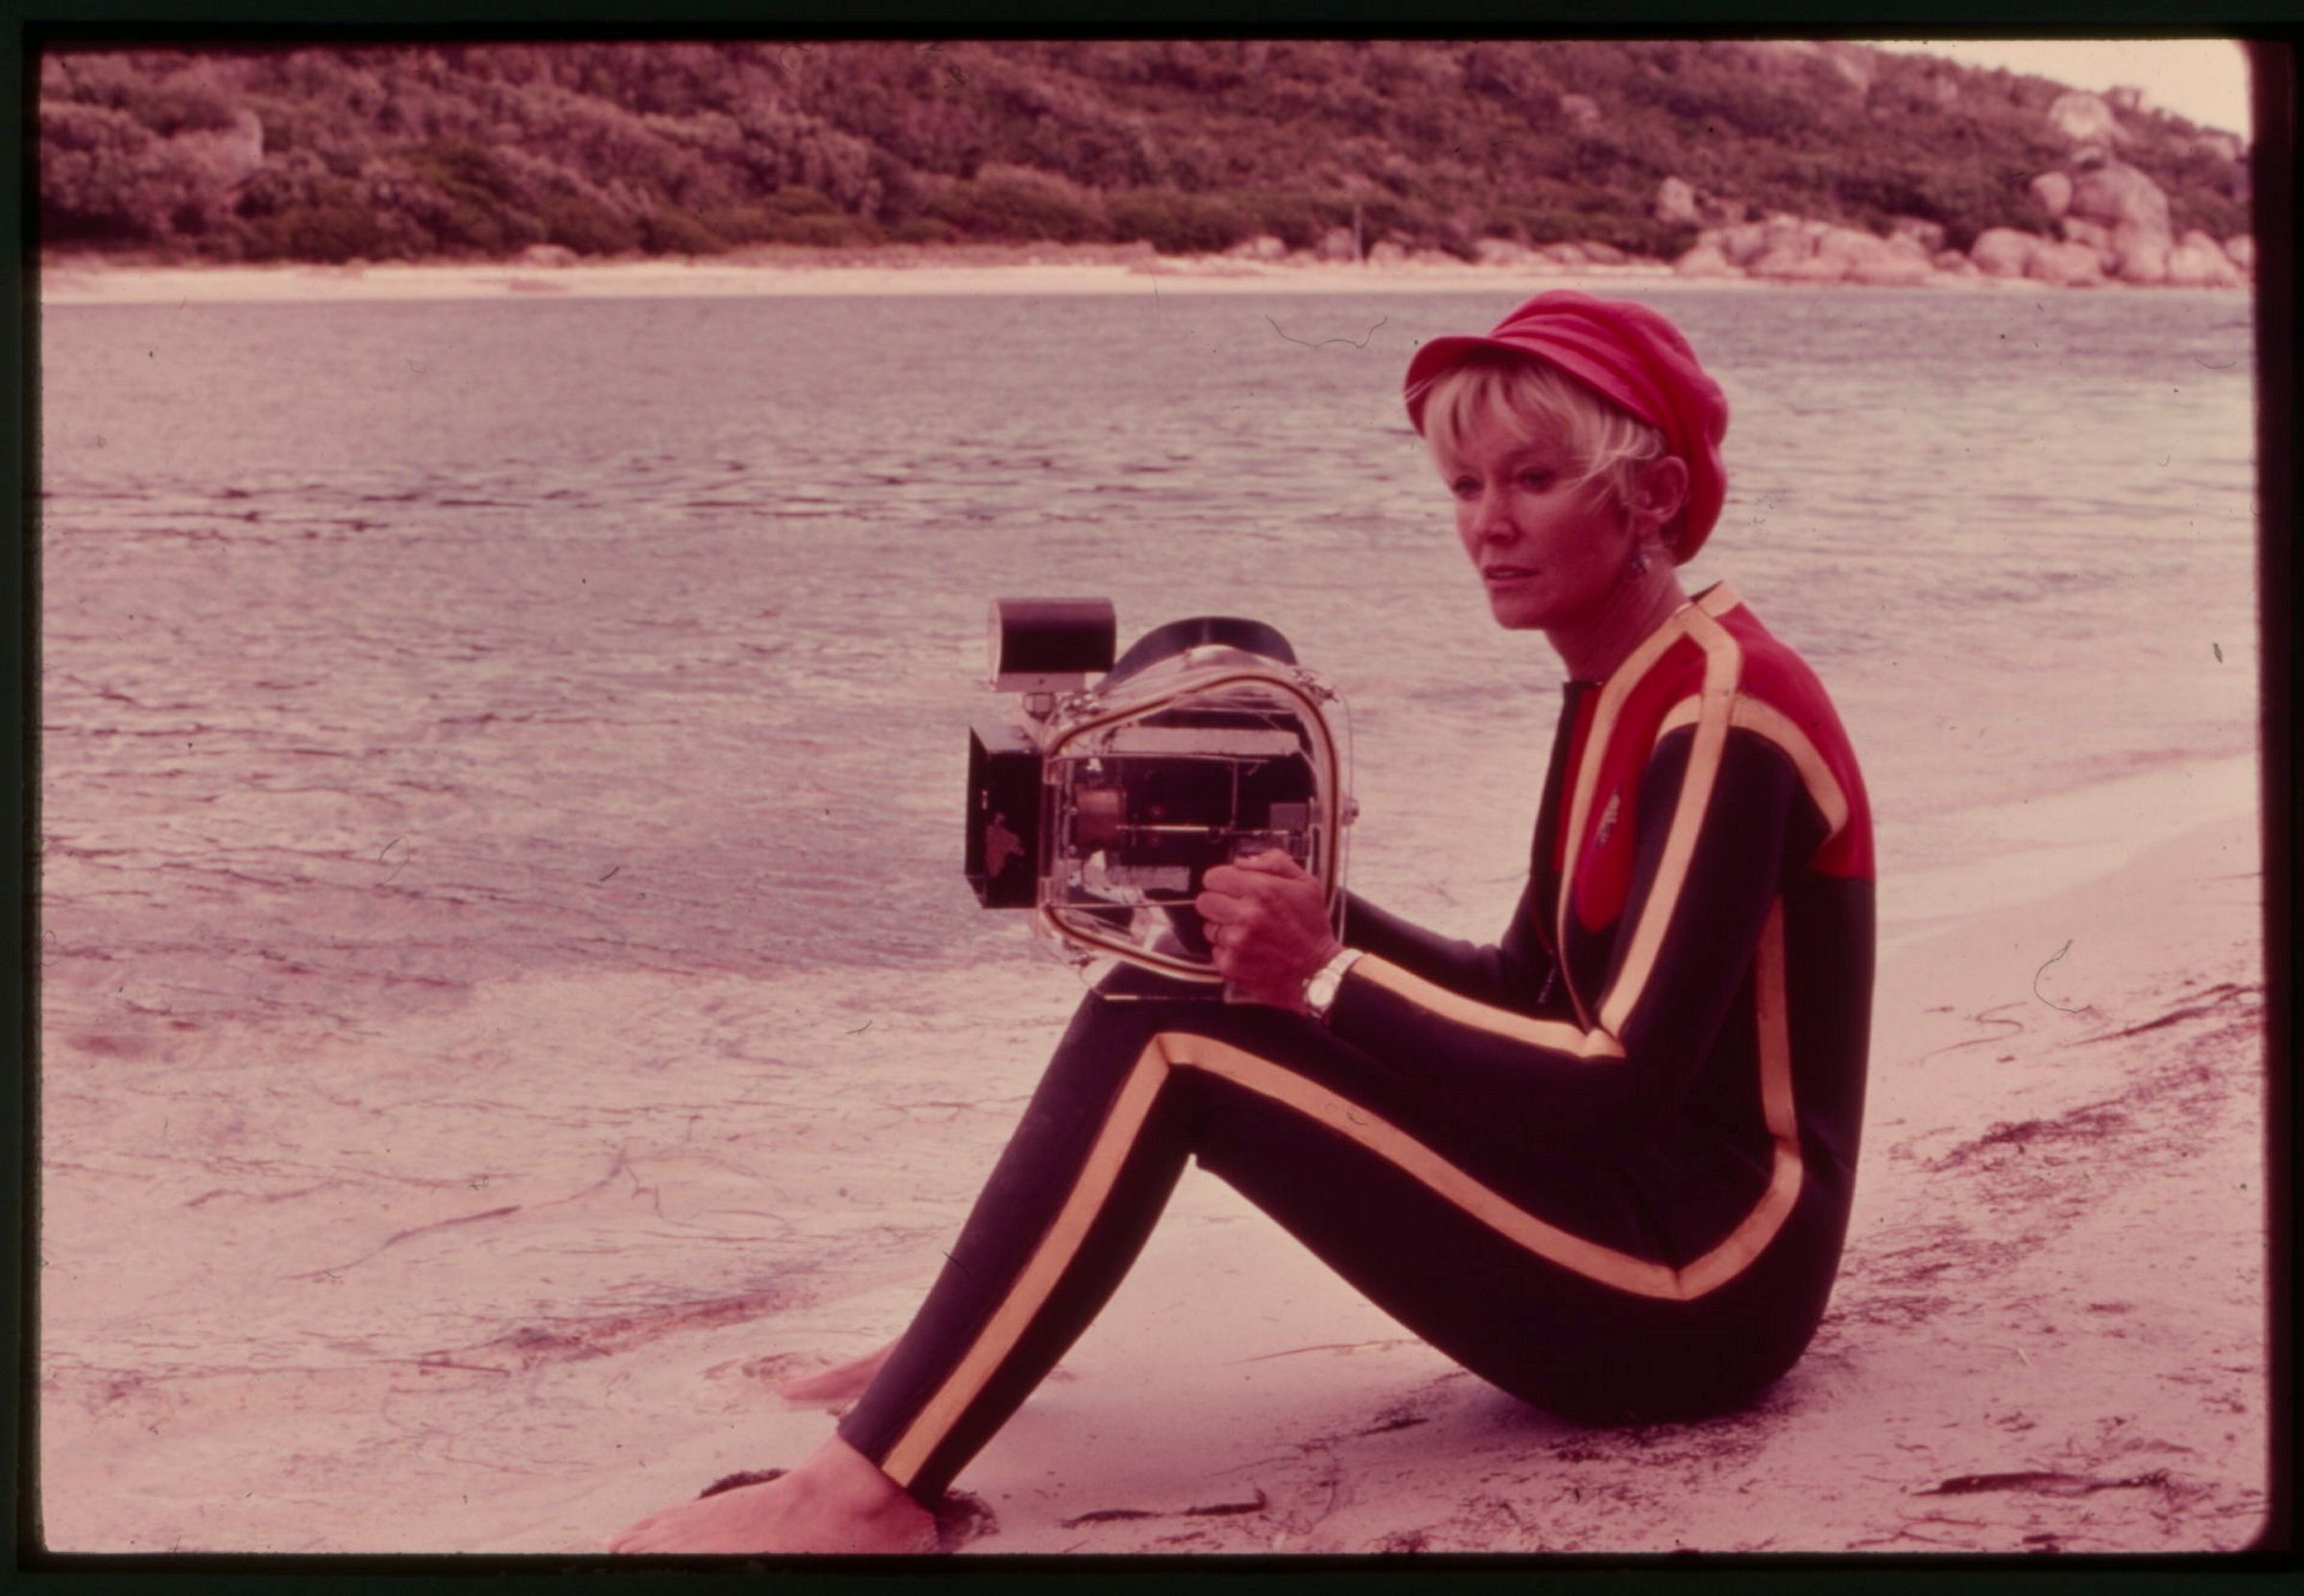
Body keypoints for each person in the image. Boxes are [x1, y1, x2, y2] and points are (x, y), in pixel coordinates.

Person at [608, 290, 1875, 1555]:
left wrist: (1322, 975)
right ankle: (968, 1338)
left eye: (1532, 480)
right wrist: (1304, 913)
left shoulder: (1722, 709)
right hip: (1627, 1221)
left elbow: (1610, 1081)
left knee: (1179, 1045)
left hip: (1698, 1292)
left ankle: (863, 1497)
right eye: (1464, 485)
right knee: (1167, 982)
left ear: (1650, 498)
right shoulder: (1626, 682)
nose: (1486, 525)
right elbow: (1528, 992)